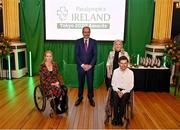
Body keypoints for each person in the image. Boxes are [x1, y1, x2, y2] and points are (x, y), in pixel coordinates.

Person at [75, 26, 97, 107]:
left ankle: (90, 98)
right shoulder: (78, 42)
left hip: (90, 68)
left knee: (90, 83)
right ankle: (80, 97)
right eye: (85, 32)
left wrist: (90, 65)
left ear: (89, 33)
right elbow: (76, 55)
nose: (86, 33)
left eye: (88, 32)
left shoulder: (94, 42)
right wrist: (83, 65)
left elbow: (95, 55)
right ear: (82, 33)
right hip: (81, 67)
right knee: (81, 83)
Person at [111, 56, 134, 126]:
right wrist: (118, 91)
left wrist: (123, 92)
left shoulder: (130, 72)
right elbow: (113, 83)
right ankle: (115, 117)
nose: (123, 65)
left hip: (126, 90)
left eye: (125, 63)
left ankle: (119, 118)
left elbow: (131, 85)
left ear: (127, 64)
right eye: (121, 63)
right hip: (116, 89)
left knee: (124, 100)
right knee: (115, 100)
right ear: (118, 63)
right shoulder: (115, 71)